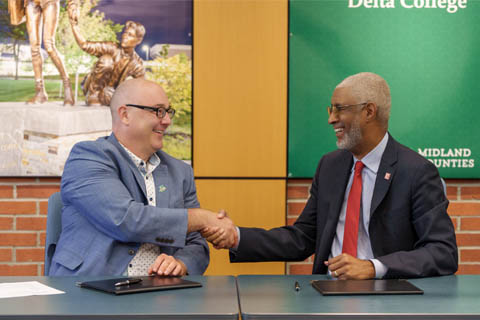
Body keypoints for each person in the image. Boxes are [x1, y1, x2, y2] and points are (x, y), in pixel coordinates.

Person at [203, 72, 458, 279]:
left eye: (339, 109)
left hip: (388, 298)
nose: (331, 119)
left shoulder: (415, 171)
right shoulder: (330, 166)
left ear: (369, 111)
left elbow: (442, 252)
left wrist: (373, 267)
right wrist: (237, 236)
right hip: (327, 296)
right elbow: (302, 238)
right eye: (330, 109)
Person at [50, 78, 236, 276]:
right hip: (90, 289)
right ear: (125, 115)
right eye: (158, 111)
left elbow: (196, 243)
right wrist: (204, 218)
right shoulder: (88, 157)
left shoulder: (180, 171)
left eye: (167, 112)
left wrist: (182, 263)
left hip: (160, 295)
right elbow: (126, 220)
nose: (167, 121)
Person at [67, 1, 145, 106]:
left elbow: (141, 88)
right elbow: (85, 45)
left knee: (119, 98)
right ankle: (93, 94)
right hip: (95, 89)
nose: (125, 36)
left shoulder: (137, 64)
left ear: (138, 40)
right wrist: (74, 25)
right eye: (125, 33)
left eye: (130, 35)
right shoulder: (112, 47)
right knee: (106, 60)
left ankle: (107, 97)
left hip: (111, 93)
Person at [9, 0, 74, 105]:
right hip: (31, 3)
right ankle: (40, 92)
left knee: (49, 45)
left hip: (50, 2)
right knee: (34, 48)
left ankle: (67, 88)